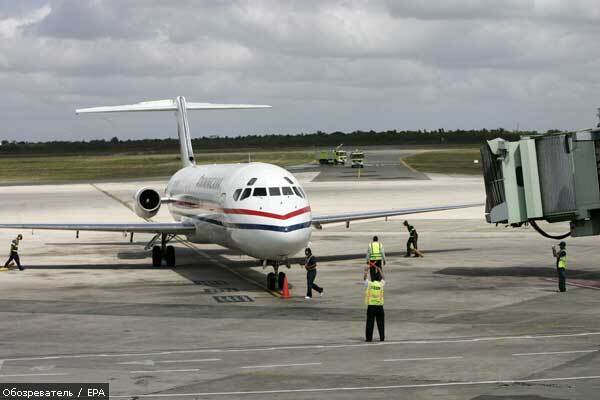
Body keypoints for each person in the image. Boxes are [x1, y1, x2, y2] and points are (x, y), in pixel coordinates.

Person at [364, 264, 385, 342]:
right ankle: (382, 337)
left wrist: (366, 271)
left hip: (371, 307)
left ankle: (369, 338)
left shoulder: (369, 284)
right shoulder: (381, 285)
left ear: (372, 278)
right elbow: (384, 278)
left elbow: (365, 279)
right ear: (379, 278)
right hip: (379, 306)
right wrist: (379, 270)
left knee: (370, 323)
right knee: (381, 323)